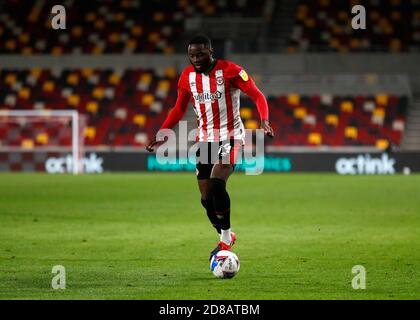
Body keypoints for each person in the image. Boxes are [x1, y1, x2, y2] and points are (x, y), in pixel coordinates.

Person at [146, 34, 274, 260]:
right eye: (192, 55)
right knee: (206, 199)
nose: (196, 59)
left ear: (211, 51)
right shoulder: (186, 77)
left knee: (217, 183)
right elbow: (178, 109)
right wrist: (162, 132)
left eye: (200, 54)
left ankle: (225, 241)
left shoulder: (231, 71)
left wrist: (264, 119)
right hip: (205, 140)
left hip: (232, 136)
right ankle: (226, 234)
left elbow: (257, 94)